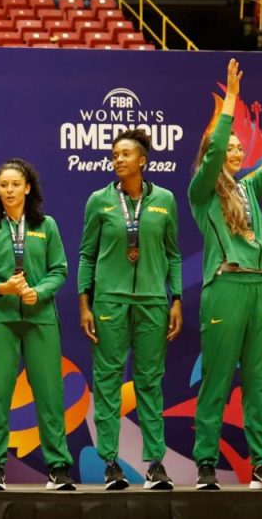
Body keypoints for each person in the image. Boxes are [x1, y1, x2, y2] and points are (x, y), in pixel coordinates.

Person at [188, 60, 262, 491]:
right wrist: (230, 99)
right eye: (225, 146)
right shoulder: (201, 190)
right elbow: (211, 156)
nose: (233, 150)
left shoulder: (248, 187)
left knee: (260, 379)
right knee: (216, 377)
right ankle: (206, 464)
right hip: (226, 285)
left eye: (236, 147)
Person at [77, 129, 183, 491]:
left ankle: (155, 464)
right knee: (107, 383)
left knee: (150, 382)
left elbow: (173, 254)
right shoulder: (99, 201)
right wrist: (84, 302)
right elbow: (86, 254)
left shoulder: (165, 200)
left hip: (153, 302)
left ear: (143, 160)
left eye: (125, 154)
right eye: (114, 155)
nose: (118, 159)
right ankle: (110, 464)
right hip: (110, 302)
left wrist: (177, 298)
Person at [0, 158, 72, 492]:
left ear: (27, 187)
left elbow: (60, 270)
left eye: (15, 184)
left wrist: (38, 292)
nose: (9, 190)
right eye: (3, 185)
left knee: (50, 395)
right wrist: (2, 288)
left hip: (40, 319)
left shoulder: (47, 226)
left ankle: (58, 468)